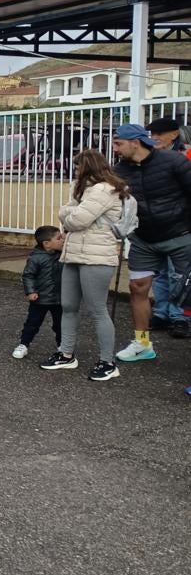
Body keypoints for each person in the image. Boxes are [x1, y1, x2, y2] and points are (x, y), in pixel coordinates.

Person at [39, 150, 126, 381]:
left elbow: (76, 219)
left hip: (97, 257)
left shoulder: (104, 189)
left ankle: (108, 361)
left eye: (78, 166)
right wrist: (69, 213)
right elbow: (68, 215)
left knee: (97, 309)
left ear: (87, 167)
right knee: (68, 306)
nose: (75, 170)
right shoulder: (83, 189)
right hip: (74, 254)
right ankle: (66, 353)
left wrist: (69, 214)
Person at [110, 123, 191, 364]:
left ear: (135, 142)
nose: (115, 149)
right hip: (143, 239)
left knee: (188, 293)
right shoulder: (119, 170)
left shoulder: (173, 161)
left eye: (118, 143)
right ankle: (142, 343)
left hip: (180, 235)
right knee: (138, 288)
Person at [144, 117, 189, 337]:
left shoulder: (186, 156)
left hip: (179, 225)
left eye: (159, 134)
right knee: (160, 273)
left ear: (174, 134)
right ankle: (161, 313)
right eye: (152, 134)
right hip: (155, 225)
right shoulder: (149, 157)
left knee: (177, 273)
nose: (154, 138)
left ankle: (179, 316)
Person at [11, 226, 64, 360]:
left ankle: (62, 346)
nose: (63, 240)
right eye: (59, 238)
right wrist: (30, 291)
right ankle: (23, 344)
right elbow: (28, 275)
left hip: (59, 299)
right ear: (46, 244)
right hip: (40, 298)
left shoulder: (62, 255)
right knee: (32, 323)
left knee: (60, 324)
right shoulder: (36, 258)